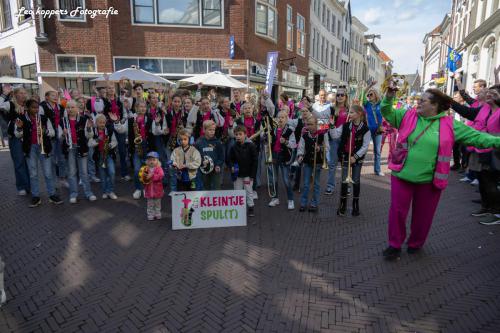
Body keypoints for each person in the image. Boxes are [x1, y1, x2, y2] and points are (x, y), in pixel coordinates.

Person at [381, 85, 500, 260]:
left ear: (435, 105)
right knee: (397, 212)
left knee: (423, 216)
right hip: (402, 175)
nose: (418, 103)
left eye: (423, 101)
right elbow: (387, 112)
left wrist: (497, 141)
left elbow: (477, 137)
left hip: (430, 181)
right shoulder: (407, 115)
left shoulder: (450, 124)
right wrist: (389, 97)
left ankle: (415, 243)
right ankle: (394, 245)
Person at [451, 85, 500, 224]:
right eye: (488, 92)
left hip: (496, 152)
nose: (489, 94)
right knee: (483, 180)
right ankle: (486, 207)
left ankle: (496, 213)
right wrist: (449, 102)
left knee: (491, 182)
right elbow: (466, 111)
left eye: (493, 93)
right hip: (481, 149)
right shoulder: (484, 109)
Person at [15, 99, 62, 207]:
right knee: (33, 173)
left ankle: (52, 195)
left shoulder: (44, 118)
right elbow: (18, 135)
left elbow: (52, 132)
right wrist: (19, 128)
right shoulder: (21, 118)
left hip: (43, 147)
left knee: (48, 173)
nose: (36, 109)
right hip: (30, 148)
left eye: (37, 107)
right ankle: (35, 196)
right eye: (33, 107)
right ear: (27, 108)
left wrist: (45, 131)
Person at [335, 105, 371, 216]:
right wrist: (331, 127)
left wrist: (355, 157)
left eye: (351, 112)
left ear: (359, 114)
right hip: (345, 156)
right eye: (349, 112)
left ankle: (355, 205)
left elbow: (365, 147)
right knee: (344, 180)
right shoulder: (345, 126)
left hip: (356, 158)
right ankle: (342, 204)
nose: (349, 115)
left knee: (355, 180)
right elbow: (335, 134)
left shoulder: (365, 129)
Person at [60, 100, 96, 203]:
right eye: (68, 107)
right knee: (71, 172)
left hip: (82, 147)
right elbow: (59, 137)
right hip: (69, 148)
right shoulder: (63, 121)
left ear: (77, 108)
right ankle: (73, 194)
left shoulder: (84, 119)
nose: (70, 109)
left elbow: (90, 136)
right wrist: (63, 134)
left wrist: (89, 129)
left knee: (84, 172)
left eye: (72, 107)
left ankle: (88, 193)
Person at [0, 85, 30, 195]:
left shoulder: (28, 105)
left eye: (24, 93)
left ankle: (30, 185)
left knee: (29, 162)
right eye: (20, 93)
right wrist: (4, 94)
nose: (23, 95)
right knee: (19, 162)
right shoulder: (10, 104)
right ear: (15, 94)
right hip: (16, 139)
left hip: (28, 138)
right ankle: (22, 186)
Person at [296, 116, 329, 212]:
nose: (309, 126)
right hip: (307, 162)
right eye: (308, 124)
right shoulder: (305, 136)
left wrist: (320, 148)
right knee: (306, 184)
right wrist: (300, 156)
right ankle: (303, 203)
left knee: (316, 184)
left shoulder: (323, 135)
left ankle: (314, 203)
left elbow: (327, 148)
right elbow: (301, 148)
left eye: (311, 124)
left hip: (318, 162)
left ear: (316, 124)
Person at [267, 111, 296, 209]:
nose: (280, 119)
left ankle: (290, 199)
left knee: (286, 180)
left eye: (282, 117)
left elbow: (293, 144)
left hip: (284, 157)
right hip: (274, 156)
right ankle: (275, 198)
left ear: (286, 119)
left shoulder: (290, 131)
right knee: (273, 179)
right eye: (278, 117)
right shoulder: (273, 130)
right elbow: (268, 141)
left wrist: (286, 142)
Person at [40, 90, 68, 187]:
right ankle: (53, 182)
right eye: (52, 95)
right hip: (49, 135)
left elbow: (65, 120)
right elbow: (41, 122)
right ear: (46, 97)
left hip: (60, 134)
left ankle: (62, 178)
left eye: (56, 95)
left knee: (62, 158)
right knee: (51, 159)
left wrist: (65, 128)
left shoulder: (61, 107)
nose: (55, 97)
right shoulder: (42, 106)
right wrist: (46, 132)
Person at [229, 125, 258, 218]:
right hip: (237, 174)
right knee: (237, 191)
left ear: (245, 135)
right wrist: (232, 166)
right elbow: (230, 159)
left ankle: (251, 208)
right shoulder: (233, 147)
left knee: (249, 191)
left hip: (248, 174)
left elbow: (255, 161)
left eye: (240, 134)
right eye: (236, 134)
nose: (238, 136)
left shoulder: (251, 146)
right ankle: (238, 208)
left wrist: (252, 175)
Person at [88, 114, 118, 200]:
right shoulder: (93, 131)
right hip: (99, 155)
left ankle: (111, 191)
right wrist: (97, 140)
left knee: (112, 172)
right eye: (100, 122)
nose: (102, 124)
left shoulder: (109, 130)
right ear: (96, 123)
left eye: (103, 122)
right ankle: (105, 191)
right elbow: (89, 144)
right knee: (103, 175)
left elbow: (115, 141)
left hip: (108, 154)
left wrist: (110, 145)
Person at [325, 87, 349, 195]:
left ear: (345, 97)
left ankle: (346, 185)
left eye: (342, 95)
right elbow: (322, 116)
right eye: (338, 95)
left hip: (345, 140)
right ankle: (330, 186)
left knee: (345, 164)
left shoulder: (349, 109)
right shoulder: (331, 108)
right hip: (334, 139)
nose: (339, 97)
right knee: (332, 164)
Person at [129, 100, 153, 199]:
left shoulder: (149, 119)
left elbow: (152, 133)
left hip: (147, 147)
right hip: (136, 148)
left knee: (147, 170)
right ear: (136, 108)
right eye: (140, 107)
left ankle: (146, 188)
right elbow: (128, 133)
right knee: (137, 170)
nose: (142, 108)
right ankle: (138, 189)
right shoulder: (132, 120)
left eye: (144, 107)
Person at [362, 84, 385, 176]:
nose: (369, 96)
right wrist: (369, 86)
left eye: (371, 94)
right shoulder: (366, 104)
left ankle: (377, 170)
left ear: (375, 95)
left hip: (378, 130)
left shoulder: (381, 104)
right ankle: (358, 167)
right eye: (368, 95)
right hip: (368, 129)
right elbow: (362, 94)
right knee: (364, 149)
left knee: (377, 151)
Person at [195, 120, 224, 190]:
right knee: (205, 188)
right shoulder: (199, 142)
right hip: (204, 170)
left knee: (216, 188)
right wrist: (202, 162)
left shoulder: (217, 142)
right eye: (210, 130)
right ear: (204, 130)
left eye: (213, 130)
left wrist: (218, 165)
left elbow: (221, 156)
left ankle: (216, 200)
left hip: (215, 170)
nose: (212, 132)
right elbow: (196, 155)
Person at [142, 151, 165, 221]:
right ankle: (150, 214)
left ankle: (157, 214)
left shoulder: (159, 168)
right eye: (150, 160)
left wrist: (152, 176)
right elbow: (143, 178)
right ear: (147, 161)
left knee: (157, 203)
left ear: (157, 161)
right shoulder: (145, 169)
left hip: (157, 190)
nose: (151, 161)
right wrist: (144, 178)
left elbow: (161, 175)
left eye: (153, 160)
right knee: (150, 204)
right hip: (149, 190)